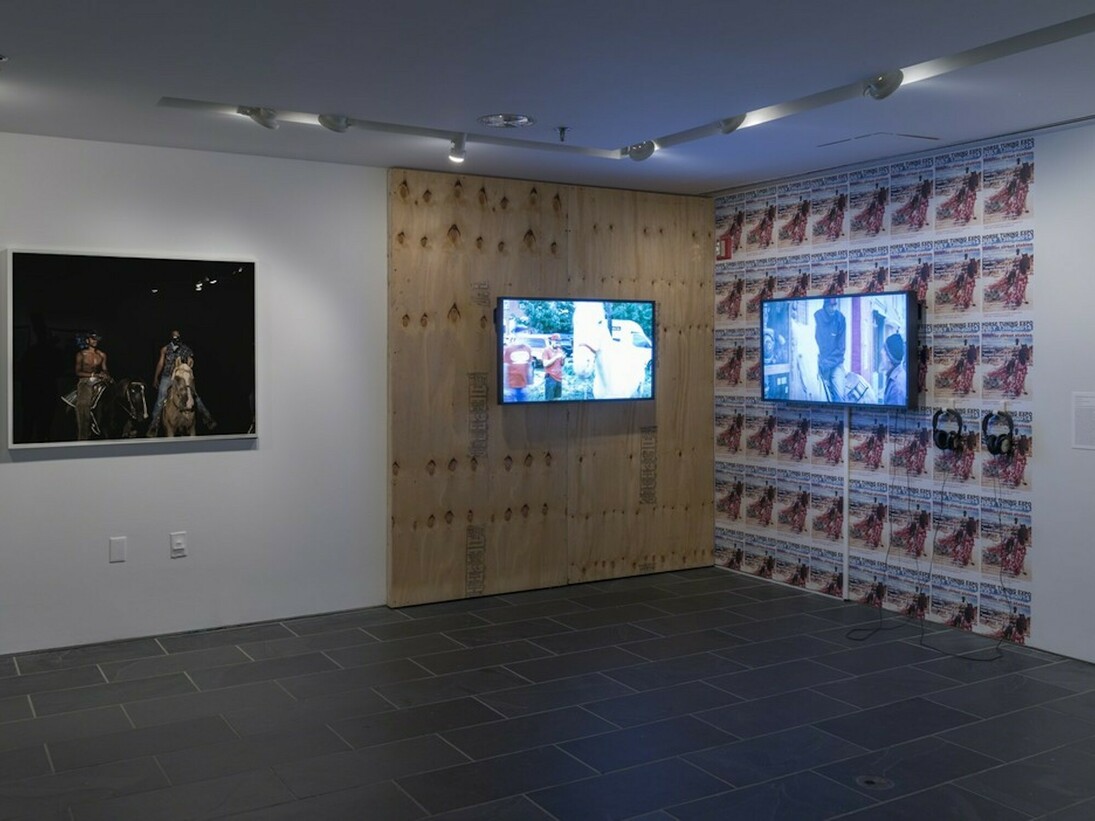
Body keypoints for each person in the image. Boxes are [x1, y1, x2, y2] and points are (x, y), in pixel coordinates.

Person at [146, 329, 216, 435]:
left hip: (180, 377)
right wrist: (156, 377)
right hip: (167, 376)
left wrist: (189, 363)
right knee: (160, 399)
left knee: (195, 396)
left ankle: (207, 418)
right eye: (174, 337)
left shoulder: (185, 349)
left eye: (178, 337)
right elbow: (161, 363)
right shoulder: (165, 349)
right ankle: (154, 425)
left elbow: (190, 360)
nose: (176, 339)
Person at [65, 331, 111, 440]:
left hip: (99, 380)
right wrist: (93, 374)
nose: (94, 341)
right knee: (83, 403)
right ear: (87, 340)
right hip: (85, 381)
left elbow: (105, 369)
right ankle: (83, 435)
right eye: (92, 339)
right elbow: (78, 372)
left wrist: (105, 375)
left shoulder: (102, 355)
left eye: (96, 339)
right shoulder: (81, 354)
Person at [814, 297, 846, 401]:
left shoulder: (841, 319)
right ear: (825, 305)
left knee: (840, 395)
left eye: (835, 305)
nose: (833, 308)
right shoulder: (816, 317)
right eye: (831, 305)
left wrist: (826, 364)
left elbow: (841, 350)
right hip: (818, 363)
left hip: (835, 365)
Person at [502, 337, 534, 402]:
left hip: (524, 386)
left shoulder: (528, 349)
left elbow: (529, 368)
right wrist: (505, 387)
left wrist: (530, 383)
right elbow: (505, 367)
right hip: (511, 386)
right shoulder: (509, 349)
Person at [882, 332, 907, 406]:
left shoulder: (897, 385)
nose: (880, 353)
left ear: (889, 358)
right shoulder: (895, 376)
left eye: (883, 352)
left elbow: (895, 414)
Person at [541, 334, 565, 400]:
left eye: (559, 342)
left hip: (559, 378)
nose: (557, 343)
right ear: (551, 341)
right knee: (549, 399)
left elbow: (561, 364)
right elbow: (545, 364)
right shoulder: (546, 350)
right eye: (556, 341)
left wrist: (563, 359)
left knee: (557, 399)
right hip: (550, 378)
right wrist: (556, 357)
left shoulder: (560, 350)